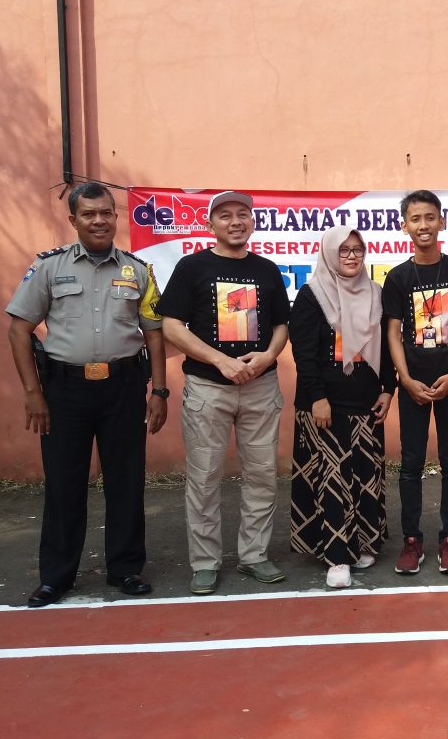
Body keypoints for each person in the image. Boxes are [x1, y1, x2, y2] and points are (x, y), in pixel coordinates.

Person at [6, 181, 168, 608]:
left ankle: (126, 568)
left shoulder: (138, 270)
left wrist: (159, 390)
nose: (99, 221)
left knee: (126, 480)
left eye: (106, 213)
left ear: (116, 217)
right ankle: (56, 577)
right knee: (64, 483)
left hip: (124, 388)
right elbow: (19, 329)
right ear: (73, 219)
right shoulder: (49, 267)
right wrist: (32, 392)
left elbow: (154, 333)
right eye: (89, 214)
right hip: (64, 392)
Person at [157, 191, 290, 594]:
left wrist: (268, 356)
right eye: (226, 215)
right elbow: (172, 326)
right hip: (208, 389)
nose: (236, 221)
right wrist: (220, 360)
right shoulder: (192, 267)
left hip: (260, 388)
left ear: (252, 222)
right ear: (210, 224)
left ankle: (254, 555)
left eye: (243, 214)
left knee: (262, 475)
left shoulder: (267, 270)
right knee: (204, 477)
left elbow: (281, 325)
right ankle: (204, 562)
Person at [289, 226, 396, 589]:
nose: (351, 256)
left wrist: (389, 389)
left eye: (357, 250)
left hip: (366, 403)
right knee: (332, 479)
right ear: (329, 253)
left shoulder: (375, 293)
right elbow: (304, 353)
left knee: (365, 476)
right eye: (343, 250)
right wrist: (317, 397)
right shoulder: (312, 295)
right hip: (325, 405)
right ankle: (337, 555)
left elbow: (387, 346)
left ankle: (363, 542)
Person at [382, 190, 448, 574]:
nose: (423, 225)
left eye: (429, 217)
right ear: (404, 225)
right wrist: (404, 379)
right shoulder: (398, 277)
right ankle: (412, 541)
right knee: (410, 463)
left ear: (442, 221)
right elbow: (393, 332)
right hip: (414, 385)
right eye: (415, 218)